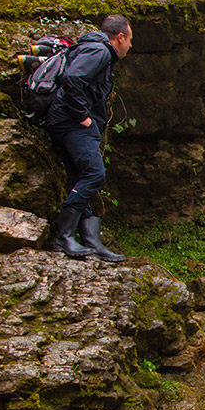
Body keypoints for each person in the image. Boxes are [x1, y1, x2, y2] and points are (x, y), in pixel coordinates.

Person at [47, 14, 133, 262]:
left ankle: (91, 242)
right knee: (95, 174)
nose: (130, 46)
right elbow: (73, 79)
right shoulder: (101, 52)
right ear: (120, 37)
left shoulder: (92, 49)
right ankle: (64, 237)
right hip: (72, 123)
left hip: (64, 122)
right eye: (130, 40)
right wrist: (82, 116)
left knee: (79, 177)